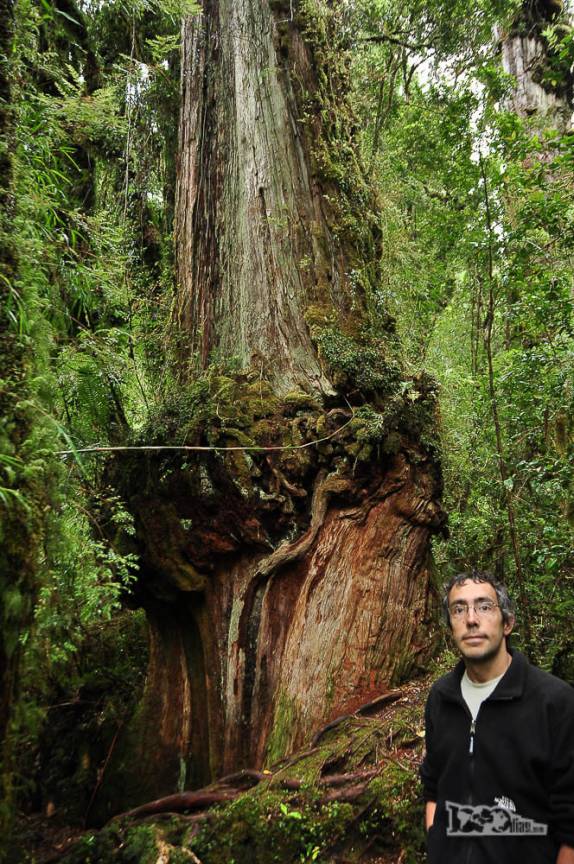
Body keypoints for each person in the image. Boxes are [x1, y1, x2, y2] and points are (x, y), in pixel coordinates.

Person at [420, 569, 574, 863]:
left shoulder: (554, 702)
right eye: (459, 609)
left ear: (508, 623)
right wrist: (436, 841)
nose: (471, 619)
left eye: (485, 606)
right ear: (450, 626)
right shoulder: (442, 698)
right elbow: (433, 783)